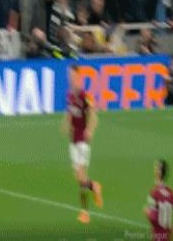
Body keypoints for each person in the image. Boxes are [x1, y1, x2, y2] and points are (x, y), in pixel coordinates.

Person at [61, 65, 103, 224]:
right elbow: (69, 112)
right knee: (79, 177)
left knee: (81, 175)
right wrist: (66, 124)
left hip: (82, 141)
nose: (70, 77)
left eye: (73, 74)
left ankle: (85, 212)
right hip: (73, 140)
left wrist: (90, 130)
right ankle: (94, 186)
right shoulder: (69, 95)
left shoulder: (85, 95)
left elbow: (94, 115)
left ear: (78, 76)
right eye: (69, 75)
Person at [144, 159, 173, 241]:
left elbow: (153, 218)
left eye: (156, 168)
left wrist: (146, 211)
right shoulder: (170, 192)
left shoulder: (155, 192)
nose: (154, 170)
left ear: (159, 172)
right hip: (167, 236)